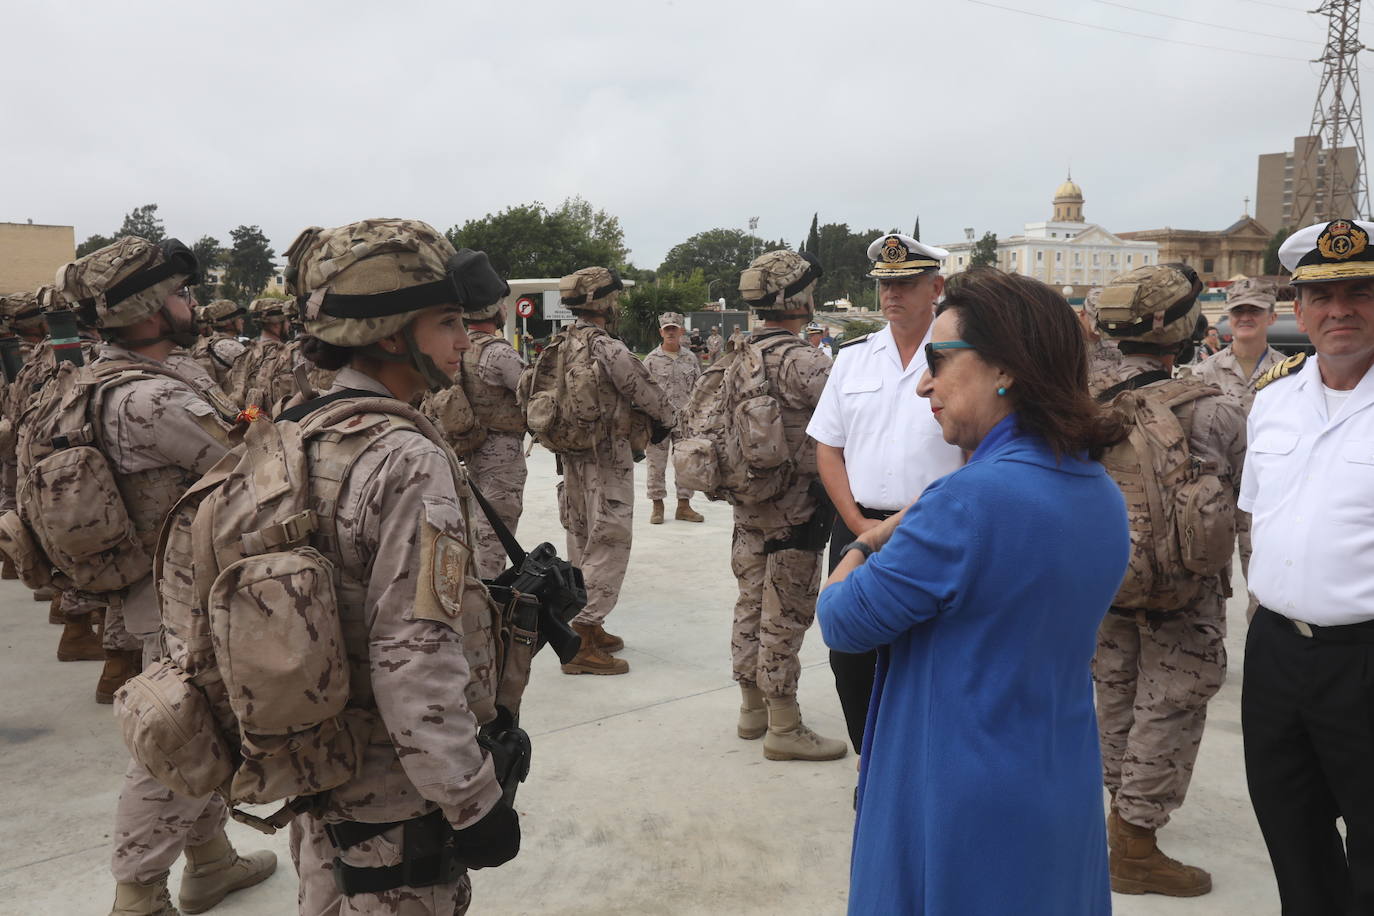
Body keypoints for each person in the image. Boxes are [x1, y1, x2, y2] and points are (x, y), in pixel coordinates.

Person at [816, 268, 1129, 914]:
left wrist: (867, 541)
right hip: (1057, 783)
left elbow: (841, 620)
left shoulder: (964, 503)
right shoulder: (1098, 491)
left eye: (939, 358)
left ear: (1005, 369)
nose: (925, 382)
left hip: (960, 799)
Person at [268, 218, 520, 915]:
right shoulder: (406, 459)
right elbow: (414, 651)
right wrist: (471, 800)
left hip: (322, 754)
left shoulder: (300, 425)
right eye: (447, 323)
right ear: (388, 332)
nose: (465, 340)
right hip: (395, 786)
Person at [51, 236, 277, 916]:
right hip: (183, 599)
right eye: (179, 294)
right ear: (149, 310)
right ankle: (137, 894)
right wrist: (265, 421)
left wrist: (247, 414)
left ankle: (208, 862)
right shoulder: (152, 399)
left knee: (202, 731)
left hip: (158, 589)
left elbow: (232, 427)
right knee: (174, 742)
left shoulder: (110, 377)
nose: (191, 304)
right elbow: (254, 463)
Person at [1090, 264, 1246, 897]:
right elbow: (1244, 504)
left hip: (1104, 580)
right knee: (1172, 704)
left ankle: (1120, 811)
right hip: (1186, 590)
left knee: (1115, 692)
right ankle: (1135, 844)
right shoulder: (1215, 411)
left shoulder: (1075, 403)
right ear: (1173, 327)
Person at [1241, 218, 1374, 914]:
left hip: (1366, 657)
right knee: (1293, 838)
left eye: (1359, 291)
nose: (1340, 309)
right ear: (1297, 309)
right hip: (1277, 655)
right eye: (1322, 296)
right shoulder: (1272, 402)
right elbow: (1258, 518)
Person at [806, 233, 962, 754]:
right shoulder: (852, 359)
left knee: (930, 652)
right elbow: (828, 447)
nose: (891, 294)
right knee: (850, 654)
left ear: (935, 287)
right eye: (885, 284)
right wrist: (857, 524)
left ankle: (919, 762)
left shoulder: (959, 359)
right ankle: (869, 760)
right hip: (857, 528)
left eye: (905, 283)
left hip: (936, 527)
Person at [727, 250, 846, 762]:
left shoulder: (737, 354)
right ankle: (784, 725)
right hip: (796, 510)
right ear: (795, 299)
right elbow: (850, 419)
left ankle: (751, 710)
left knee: (750, 605)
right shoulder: (805, 360)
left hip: (748, 505)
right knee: (786, 614)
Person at [550, 267, 675, 675]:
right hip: (607, 459)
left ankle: (590, 621)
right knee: (610, 542)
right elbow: (648, 396)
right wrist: (671, 422)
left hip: (571, 458)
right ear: (603, 303)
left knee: (582, 539)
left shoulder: (559, 344)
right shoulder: (609, 348)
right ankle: (583, 637)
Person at [1191, 277, 1287, 622]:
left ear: (1271, 317)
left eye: (1255, 311)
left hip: (1266, 494)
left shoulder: (1290, 374)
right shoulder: (1203, 373)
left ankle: (1263, 656)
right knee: (1210, 581)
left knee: (1264, 585)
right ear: (1228, 318)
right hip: (1215, 493)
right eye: (1238, 311)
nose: (1246, 317)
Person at [460, 296, 528, 579]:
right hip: (501, 453)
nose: (505, 309)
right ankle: (487, 598)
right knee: (496, 532)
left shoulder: (461, 347)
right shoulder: (499, 353)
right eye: (501, 304)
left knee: (476, 527)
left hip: (470, 448)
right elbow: (532, 391)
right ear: (491, 311)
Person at [642, 311, 704, 525]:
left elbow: (700, 389)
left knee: (686, 463)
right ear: (661, 332)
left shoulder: (690, 358)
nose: (670, 332)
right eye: (666, 329)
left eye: (673, 329)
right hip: (659, 422)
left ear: (681, 332)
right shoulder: (651, 360)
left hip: (685, 422)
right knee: (655, 464)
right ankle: (657, 505)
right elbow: (643, 391)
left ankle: (684, 506)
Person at [188, 298, 247, 393]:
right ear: (228, 323)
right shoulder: (230, 346)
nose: (242, 321)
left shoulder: (207, 342)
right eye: (238, 318)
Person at [1078, 288, 1122, 395]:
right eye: (1098, 327)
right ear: (1082, 314)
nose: (1102, 332)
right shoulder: (1067, 345)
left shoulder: (1115, 344)